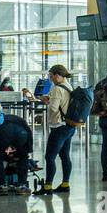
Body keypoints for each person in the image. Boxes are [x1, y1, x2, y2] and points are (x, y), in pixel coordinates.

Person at [37, 64, 75, 194]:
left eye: (51, 76)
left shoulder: (57, 89)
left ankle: (47, 186)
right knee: (65, 155)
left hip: (58, 127)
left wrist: (47, 102)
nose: (50, 79)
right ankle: (65, 183)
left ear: (58, 75)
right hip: (69, 126)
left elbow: (53, 107)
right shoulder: (68, 86)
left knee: (50, 157)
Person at [0, 113, 33, 195]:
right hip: (22, 133)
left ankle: (1, 185)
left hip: (4, 131)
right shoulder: (19, 120)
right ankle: (22, 185)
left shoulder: (0, 120)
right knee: (23, 158)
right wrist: (26, 152)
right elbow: (28, 139)